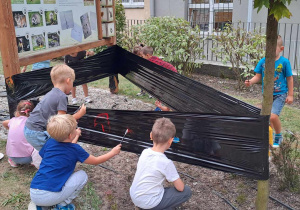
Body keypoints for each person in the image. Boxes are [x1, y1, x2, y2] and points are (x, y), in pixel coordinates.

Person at [30, 114, 122, 209]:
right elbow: (96, 161)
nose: (76, 129)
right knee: (82, 175)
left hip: (34, 191)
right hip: (49, 196)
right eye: (75, 129)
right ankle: (62, 205)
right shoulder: (75, 150)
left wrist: (76, 135)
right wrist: (113, 152)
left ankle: (42, 206)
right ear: (70, 135)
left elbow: (65, 148)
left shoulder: (50, 142)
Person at [130, 118, 192, 209]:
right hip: (148, 202)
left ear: (151, 135)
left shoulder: (145, 152)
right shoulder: (166, 163)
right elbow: (180, 188)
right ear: (171, 141)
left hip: (134, 196)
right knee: (187, 191)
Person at [245, 35, 293, 147]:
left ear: (281, 49)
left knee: (273, 116)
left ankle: (278, 136)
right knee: (267, 116)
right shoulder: (263, 61)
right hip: (267, 95)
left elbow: (289, 78)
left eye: (273, 48)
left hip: (280, 94)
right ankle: (268, 139)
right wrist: (250, 82)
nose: (269, 51)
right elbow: (258, 76)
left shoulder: (284, 62)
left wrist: (290, 95)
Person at [24, 64, 86, 151]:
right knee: (58, 150)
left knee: (50, 148)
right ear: (68, 81)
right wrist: (79, 114)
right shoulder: (62, 96)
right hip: (38, 133)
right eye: (73, 82)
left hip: (29, 128)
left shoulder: (52, 93)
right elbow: (61, 122)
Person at [2, 100, 40, 168]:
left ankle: (13, 161)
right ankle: (34, 161)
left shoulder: (13, 120)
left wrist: (10, 129)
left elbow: (4, 122)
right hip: (28, 158)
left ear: (17, 110)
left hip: (12, 156)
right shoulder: (32, 123)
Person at [141, 46, 178, 111]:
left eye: (142, 56)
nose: (142, 58)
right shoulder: (154, 59)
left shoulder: (151, 63)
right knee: (164, 93)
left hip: (171, 76)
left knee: (165, 93)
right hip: (172, 74)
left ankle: (160, 108)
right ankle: (160, 107)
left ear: (147, 55)